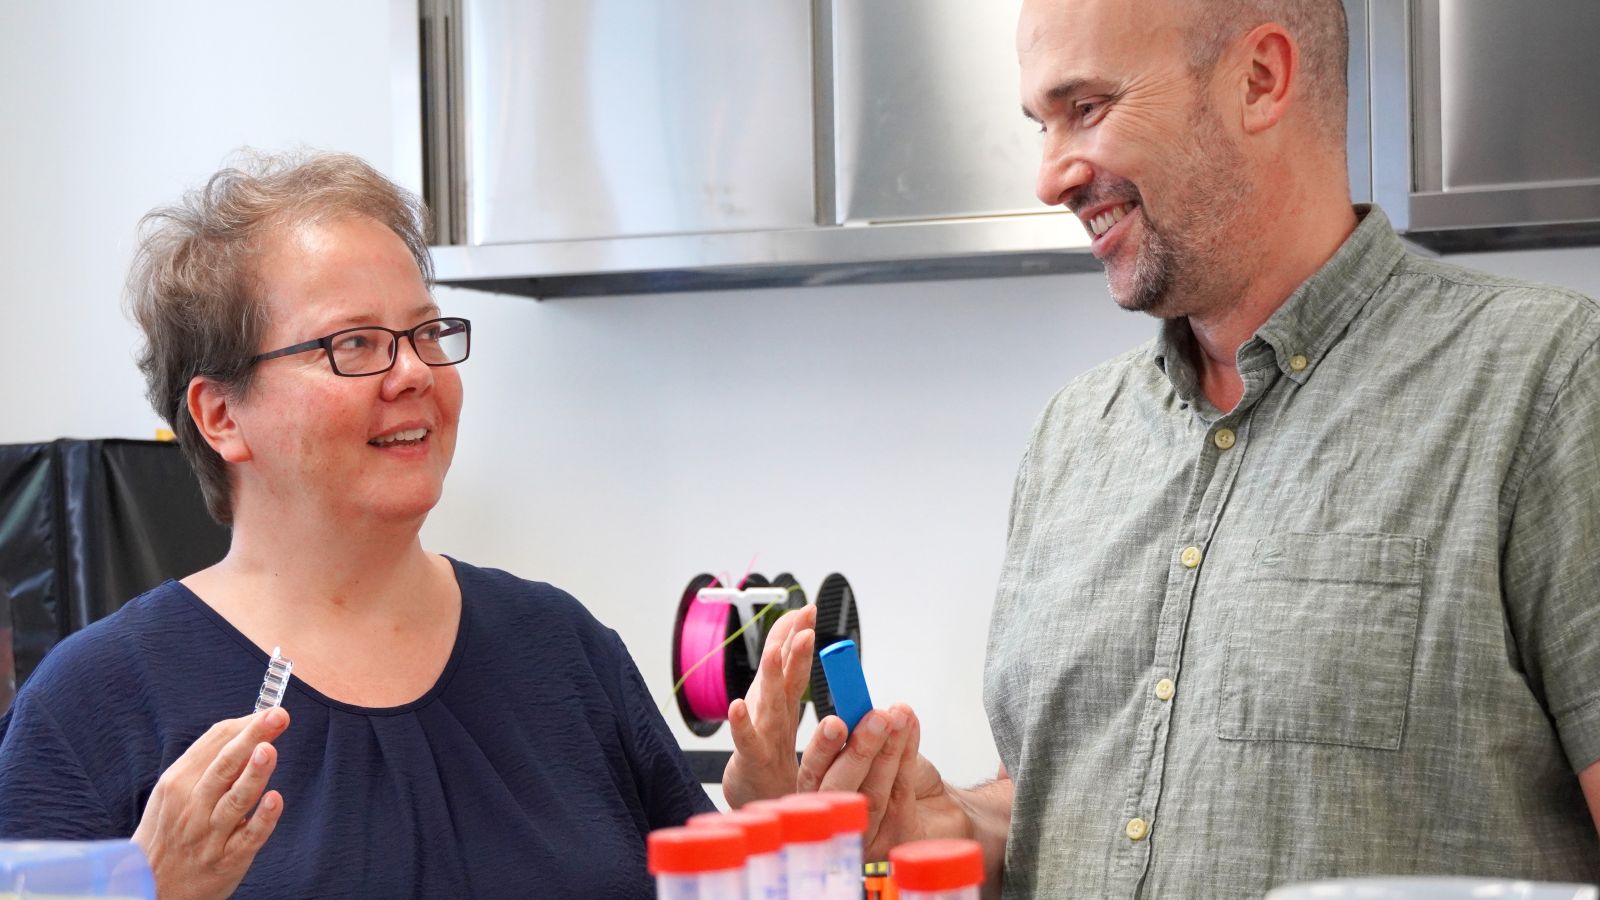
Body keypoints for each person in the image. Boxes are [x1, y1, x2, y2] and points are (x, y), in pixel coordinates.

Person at [736, 0, 1600, 897]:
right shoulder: (1073, 439)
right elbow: (1064, 800)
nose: (1047, 176)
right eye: (1041, 123)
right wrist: (945, 824)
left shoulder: (1549, 386)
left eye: (1088, 108)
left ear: (1259, 80)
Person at [0, 151, 816, 898]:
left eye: (426, 333)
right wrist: (151, 892)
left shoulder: (563, 648)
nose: (416, 373)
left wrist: (778, 825)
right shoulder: (90, 706)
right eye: (355, 344)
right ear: (222, 416)